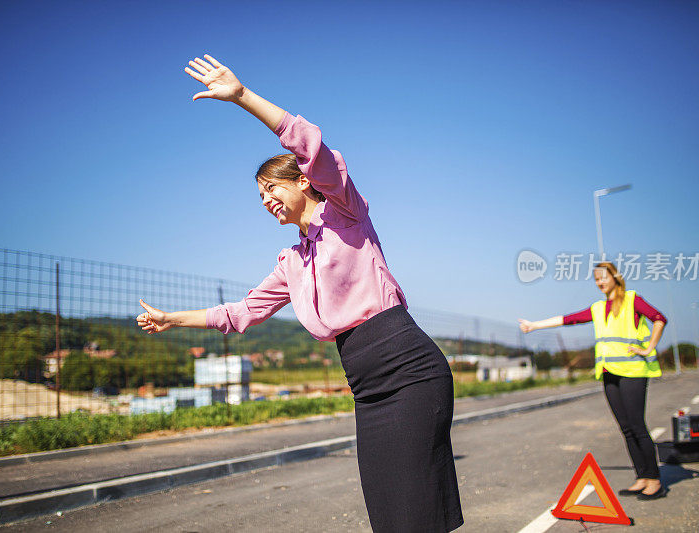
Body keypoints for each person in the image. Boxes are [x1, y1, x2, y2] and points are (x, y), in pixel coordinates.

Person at [136, 53, 464, 532]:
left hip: (408, 367)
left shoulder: (345, 213)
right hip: (367, 386)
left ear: (303, 181)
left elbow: (311, 145)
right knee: (389, 515)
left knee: (417, 516)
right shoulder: (291, 261)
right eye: (260, 196)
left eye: (272, 188)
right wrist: (173, 319)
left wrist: (242, 96)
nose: (267, 201)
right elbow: (242, 312)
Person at [518, 261, 668, 500]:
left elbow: (659, 318)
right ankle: (641, 477)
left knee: (638, 426)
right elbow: (570, 319)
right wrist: (535, 325)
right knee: (626, 429)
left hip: (633, 373)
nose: (599, 282)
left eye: (603, 278)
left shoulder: (632, 299)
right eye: (596, 279)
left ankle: (654, 480)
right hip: (609, 373)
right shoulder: (599, 308)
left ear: (615, 277)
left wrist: (649, 348)